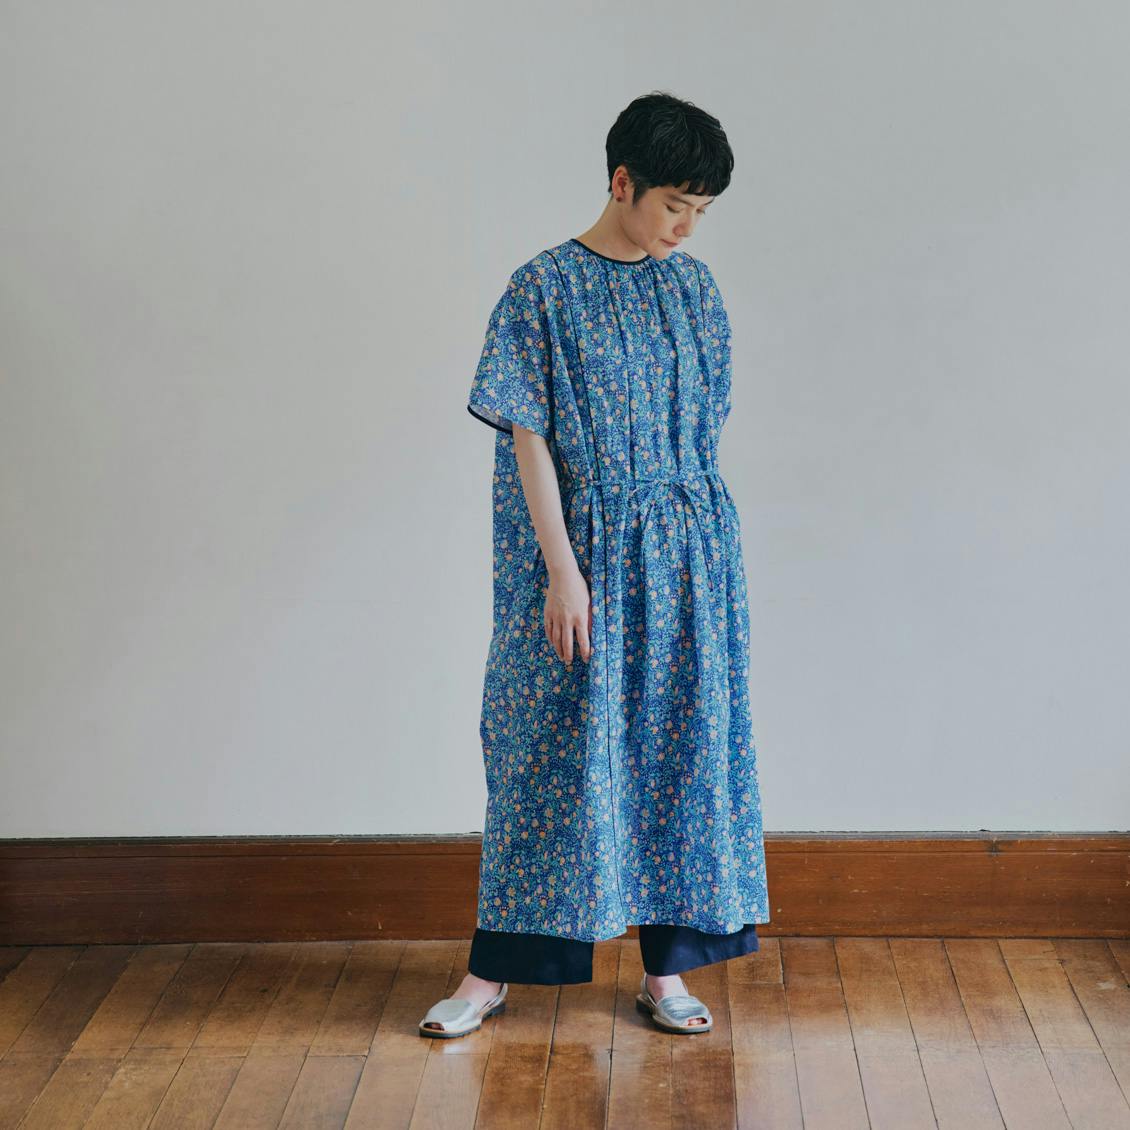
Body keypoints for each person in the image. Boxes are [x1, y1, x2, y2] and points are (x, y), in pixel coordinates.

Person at [421, 91, 770, 1039]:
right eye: (674, 205)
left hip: (689, 551)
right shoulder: (542, 288)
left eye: (701, 210)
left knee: (679, 750)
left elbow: (703, 424)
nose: (686, 227)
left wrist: (696, 550)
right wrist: (563, 571)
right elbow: (527, 436)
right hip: (582, 549)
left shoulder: (694, 290)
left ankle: (668, 970)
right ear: (622, 182)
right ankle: (494, 972)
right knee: (545, 752)